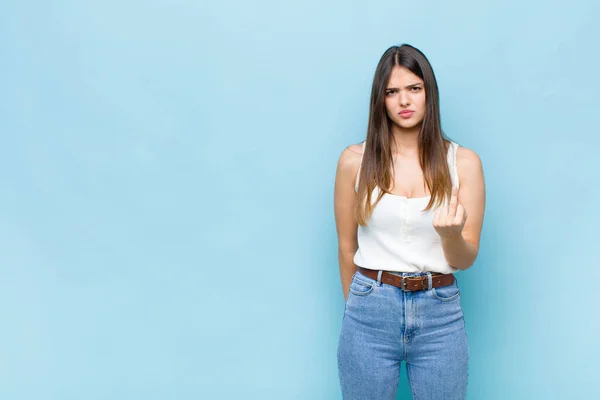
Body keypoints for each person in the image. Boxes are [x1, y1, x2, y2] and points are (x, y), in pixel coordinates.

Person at [333, 44, 486, 399]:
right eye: (392, 91)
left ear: (429, 93)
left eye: (414, 88)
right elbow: (346, 246)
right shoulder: (354, 161)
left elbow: (466, 257)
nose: (404, 100)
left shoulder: (463, 163)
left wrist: (450, 236)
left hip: (440, 313)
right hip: (370, 309)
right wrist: (356, 310)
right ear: (381, 100)